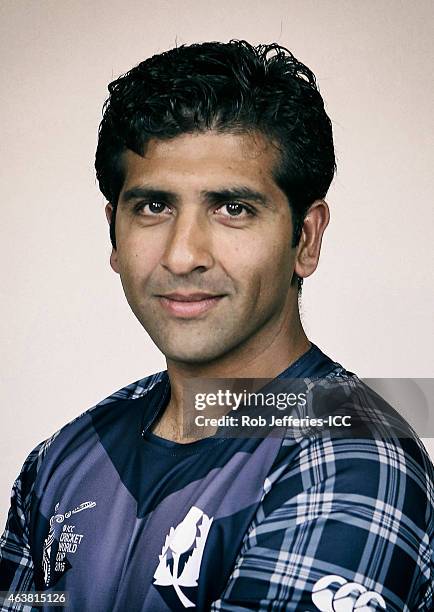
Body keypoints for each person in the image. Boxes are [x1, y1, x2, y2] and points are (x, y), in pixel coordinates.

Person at [0, 40, 432, 612]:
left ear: (306, 238)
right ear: (113, 233)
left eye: (233, 208)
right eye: (153, 207)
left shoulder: (355, 460)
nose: (183, 256)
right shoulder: (63, 458)